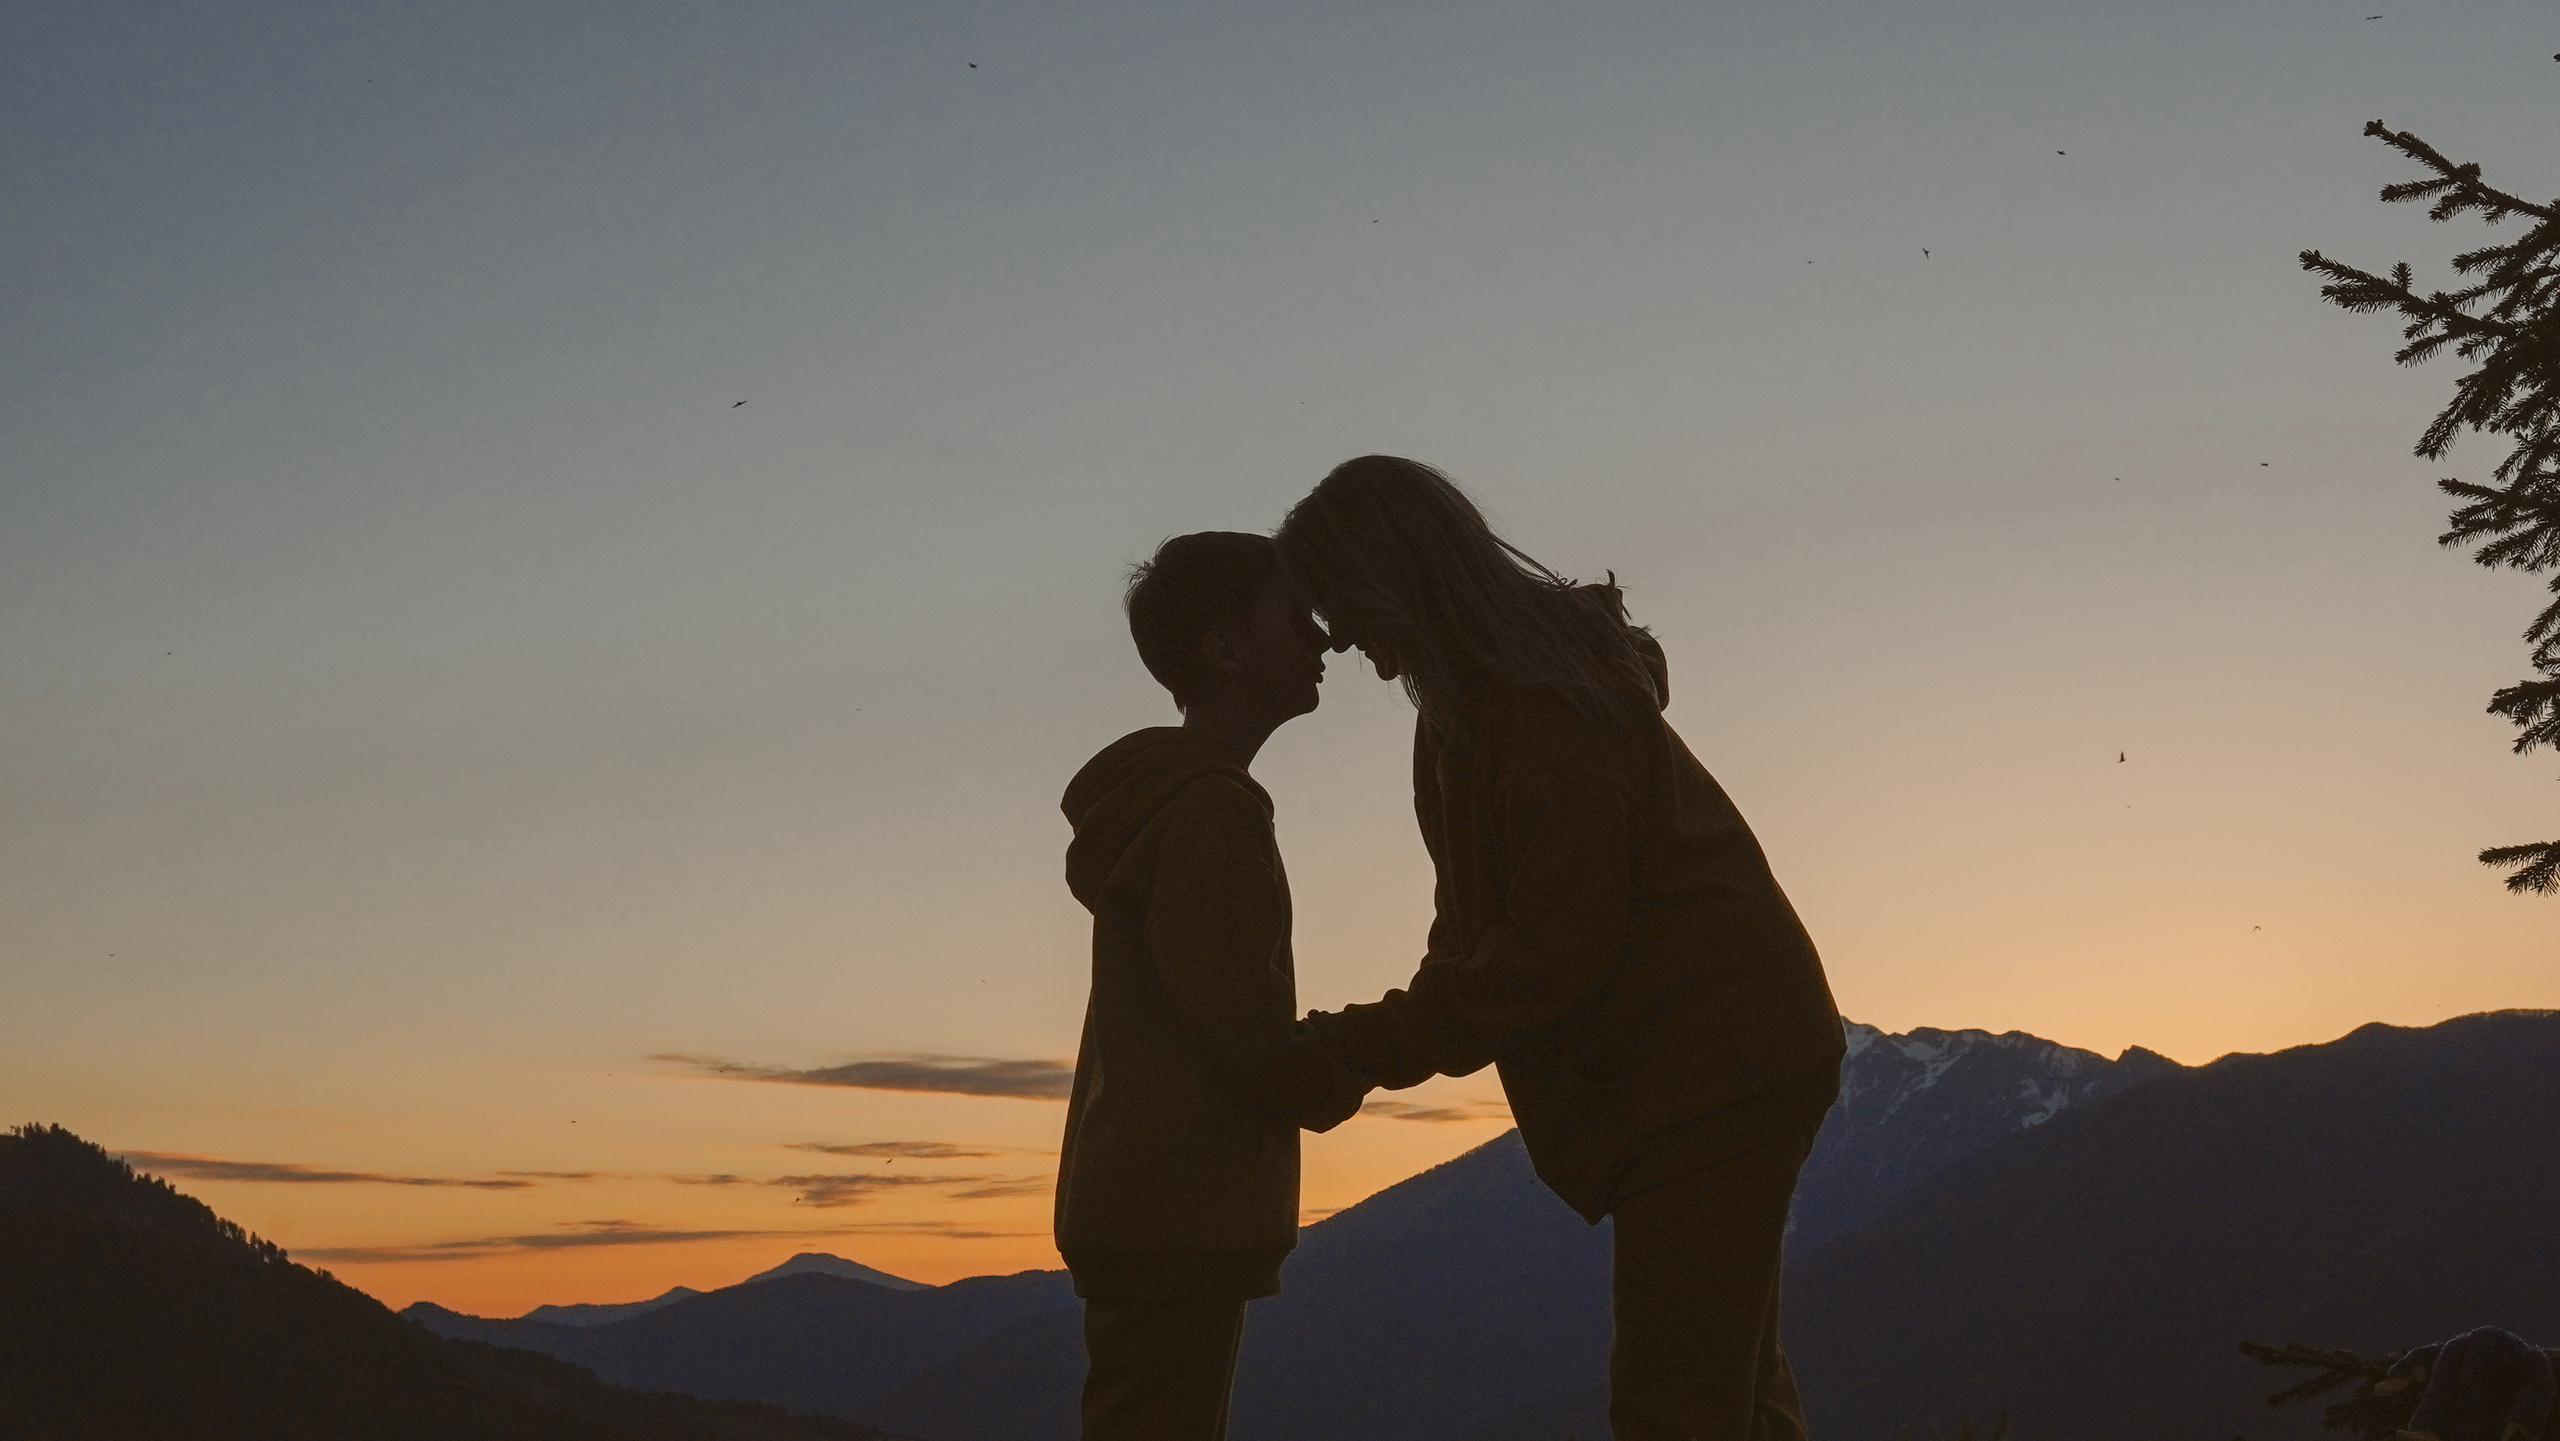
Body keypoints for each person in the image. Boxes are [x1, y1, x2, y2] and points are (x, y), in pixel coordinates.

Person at [1276, 457, 1846, 1441]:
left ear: (1394, 577)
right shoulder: (1460, 721)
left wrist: (1359, 1050)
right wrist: (1362, 1048)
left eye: (1340, 605)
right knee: (1728, 1388)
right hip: (1703, 1063)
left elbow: (1547, 952)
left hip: (1714, 1062)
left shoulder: (1540, 709)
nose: (1343, 641)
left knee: (1676, 1404)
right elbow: (1473, 942)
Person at [1056, 530, 1371, 1441]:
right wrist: (1328, 1077)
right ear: (1228, 648)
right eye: (1296, 618)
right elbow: (1236, 1014)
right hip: (1178, 1208)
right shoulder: (1209, 809)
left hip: (1146, 1199)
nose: (1325, 641)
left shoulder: (1175, 802)